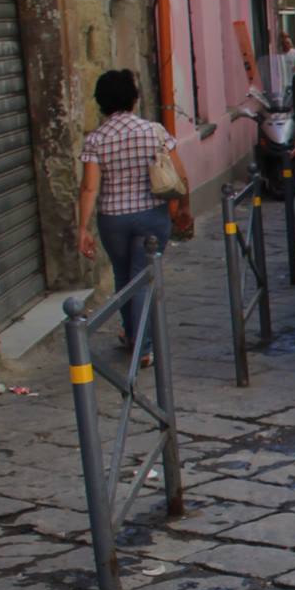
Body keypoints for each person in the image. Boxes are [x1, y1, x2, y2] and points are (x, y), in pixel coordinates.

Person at [75, 70, 186, 367]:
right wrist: (181, 208)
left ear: (101, 103)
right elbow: (179, 173)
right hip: (151, 214)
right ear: (134, 99)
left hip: (113, 219)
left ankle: (132, 334)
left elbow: (89, 188)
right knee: (143, 278)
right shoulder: (155, 131)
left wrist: (83, 228)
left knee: (124, 277)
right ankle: (143, 347)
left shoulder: (96, 139)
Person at [266, 31, 295, 103]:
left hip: (292, 81)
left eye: (288, 43)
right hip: (283, 83)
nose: (287, 45)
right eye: (285, 43)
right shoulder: (279, 54)